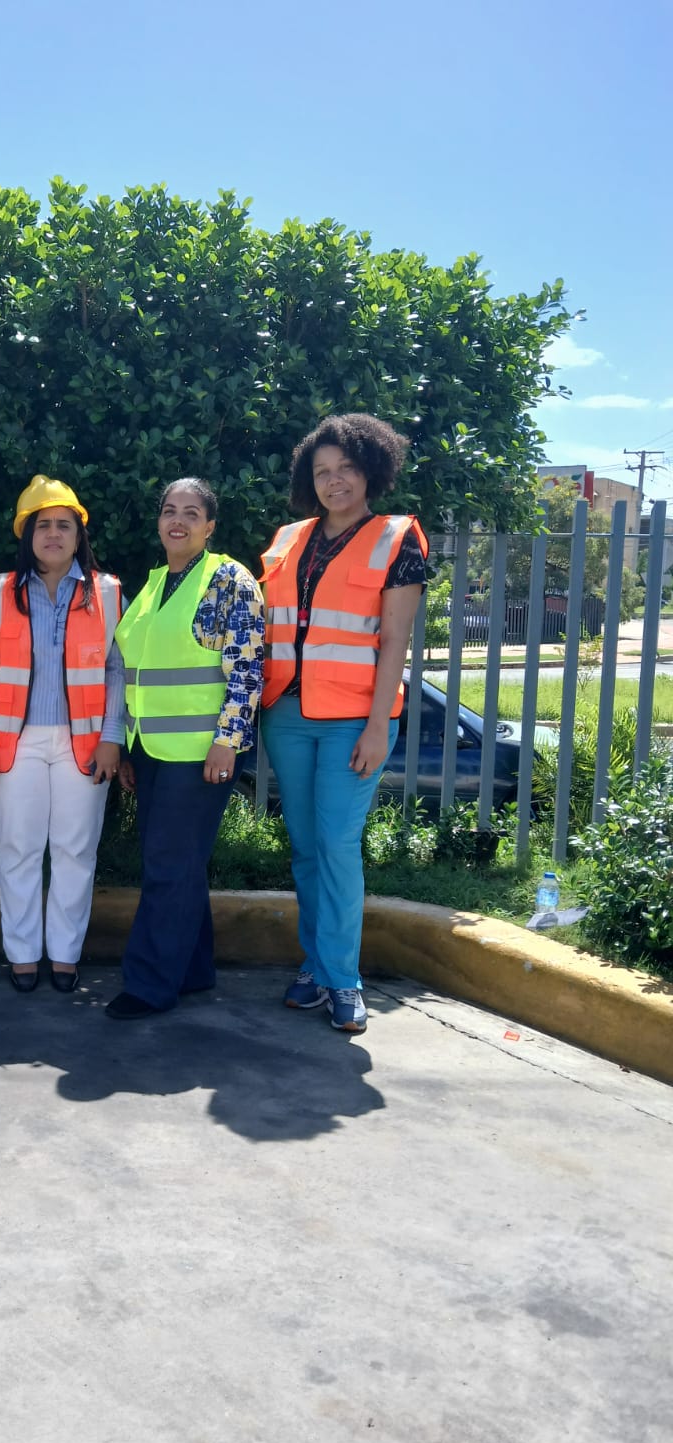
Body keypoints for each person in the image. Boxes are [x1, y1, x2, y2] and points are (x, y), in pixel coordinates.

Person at [260, 413, 428, 1034]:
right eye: (322, 471)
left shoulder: (396, 538)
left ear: (371, 470)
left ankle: (342, 978)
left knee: (336, 845)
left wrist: (379, 726)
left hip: (353, 721)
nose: (334, 481)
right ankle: (314, 966)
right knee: (305, 848)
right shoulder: (288, 538)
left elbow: (394, 641)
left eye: (347, 469)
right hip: (286, 715)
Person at [104, 477, 264, 1020]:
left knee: (167, 865)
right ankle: (192, 970)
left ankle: (149, 986)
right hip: (151, 748)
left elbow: (246, 667)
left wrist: (227, 741)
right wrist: (129, 748)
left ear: (210, 525)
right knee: (180, 863)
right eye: (170, 510)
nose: (178, 520)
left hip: (202, 751)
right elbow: (137, 675)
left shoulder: (227, 579)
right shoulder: (153, 586)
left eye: (191, 513)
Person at [0, 476, 124, 993]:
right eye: (43, 525)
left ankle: (65, 954)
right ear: (26, 534)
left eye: (64, 525)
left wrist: (112, 736)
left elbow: (118, 670)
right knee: (19, 848)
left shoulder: (107, 592)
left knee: (77, 850)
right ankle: (24, 954)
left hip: (85, 743)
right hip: (14, 742)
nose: (54, 534)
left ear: (79, 535)